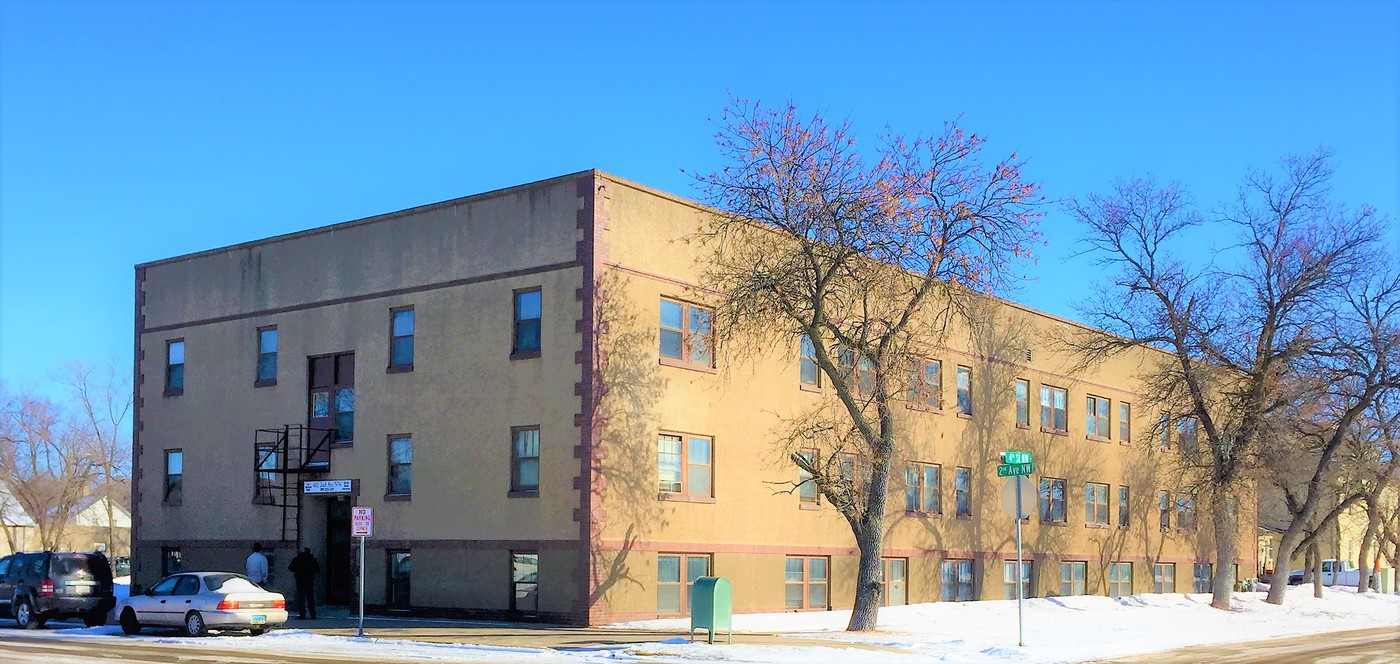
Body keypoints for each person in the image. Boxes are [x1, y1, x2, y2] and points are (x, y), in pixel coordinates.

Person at [288, 547, 320, 620]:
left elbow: (290, 568)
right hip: (309, 580)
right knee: (310, 598)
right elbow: (317, 569)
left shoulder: (297, 559)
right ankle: (313, 614)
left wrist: (298, 570)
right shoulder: (312, 559)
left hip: (300, 580)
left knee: (301, 598)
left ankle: (302, 615)